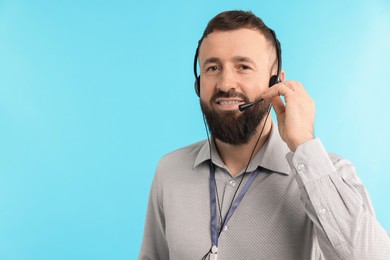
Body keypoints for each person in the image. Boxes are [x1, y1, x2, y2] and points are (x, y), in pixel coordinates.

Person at [139, 10, 390, 260]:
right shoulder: (169, 170)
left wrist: (304, 144)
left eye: (243, 67)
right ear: (198, 83)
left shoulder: (331, 174)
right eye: (213, 67)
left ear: (275, 83)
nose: (226, 84)